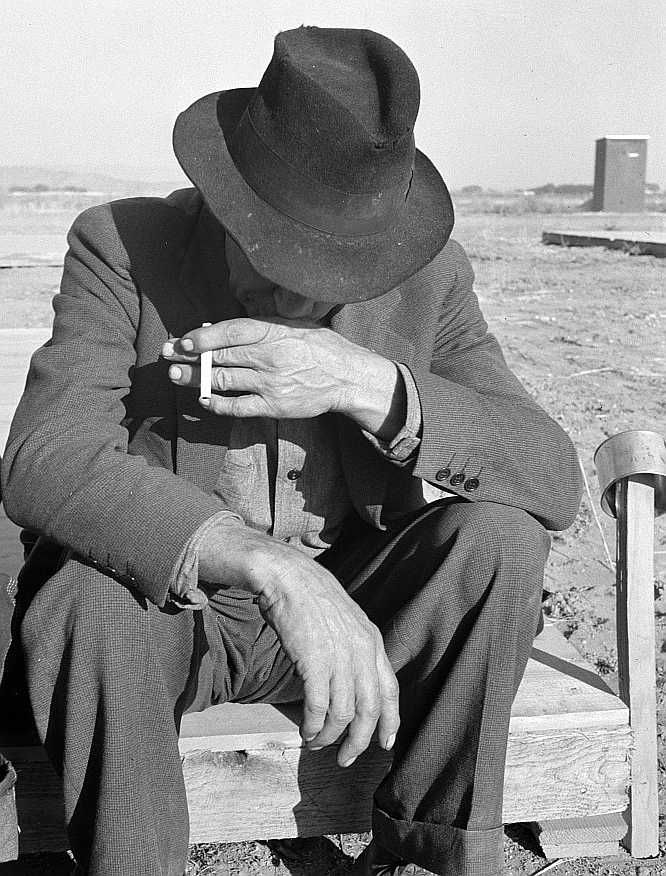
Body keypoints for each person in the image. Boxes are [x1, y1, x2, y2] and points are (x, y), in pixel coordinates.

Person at [0, 26, 582, 876]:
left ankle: (433, 852)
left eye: (327, 269)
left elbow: (552, 479)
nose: (292, 289)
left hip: (361, 613)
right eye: (270, 250)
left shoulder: (430, 280)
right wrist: (272, 568)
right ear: (223, 194)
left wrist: (365, 383)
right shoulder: (122, 246)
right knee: (83, 597)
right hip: (175, 617)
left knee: (500, 540)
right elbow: (44, 456)